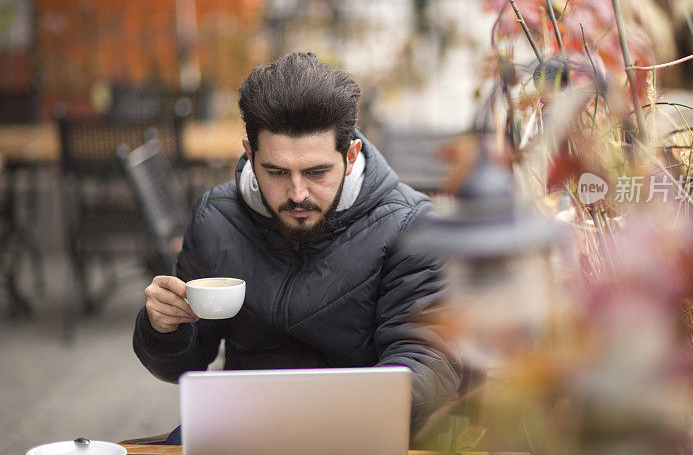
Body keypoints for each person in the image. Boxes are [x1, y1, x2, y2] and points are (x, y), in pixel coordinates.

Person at [132, 52, 461, 442]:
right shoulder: (217, 218)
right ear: (250, 155)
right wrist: (162, 329)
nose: (297, 193)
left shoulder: (409, 226)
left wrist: (328, 420)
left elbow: (428, 362)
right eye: (276, 172)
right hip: (242, 433)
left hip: (361, 434)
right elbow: (182, 366)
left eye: (317, 172)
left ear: (350, 155)